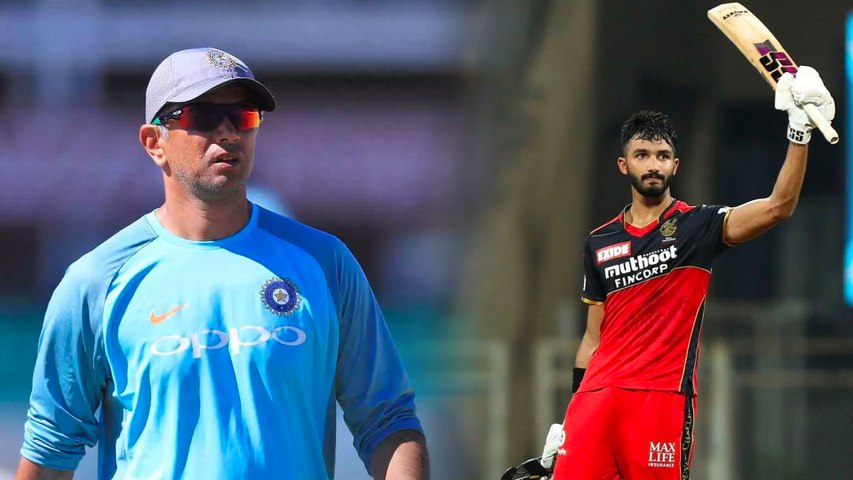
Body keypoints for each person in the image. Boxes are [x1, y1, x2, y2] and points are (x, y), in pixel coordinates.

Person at [16, 47, 428, 480]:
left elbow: (387, 420)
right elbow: (51, 448)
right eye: (205, 116)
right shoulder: (96, 281)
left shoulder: (326, 263)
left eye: (243, 116)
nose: (228, 132)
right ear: (155, 143)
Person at [550, 66, 835, 480]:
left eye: (662, 156)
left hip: (659, 397)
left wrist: (798, 132)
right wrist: (571, 413)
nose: (653, 165)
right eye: (642, 155)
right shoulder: (599, 240)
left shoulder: (698, 226)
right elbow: (593, 338)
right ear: (623, 164)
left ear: (675, 165)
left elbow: (779, 206)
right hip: (595, 400)